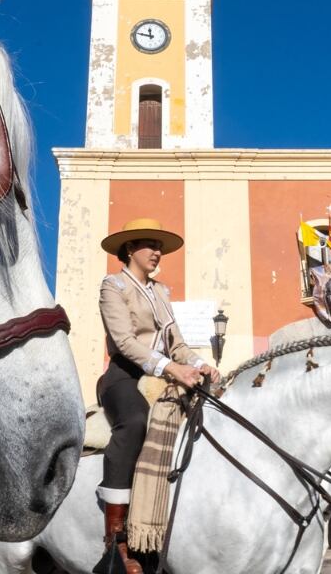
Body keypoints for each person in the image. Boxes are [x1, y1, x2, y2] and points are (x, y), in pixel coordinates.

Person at [96, 218, 220, 574]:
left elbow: (177, 343)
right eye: (150, 245)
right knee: (134, 421)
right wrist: (171, 369)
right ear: (130, 249)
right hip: (123, 375)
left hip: (166, 374)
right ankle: (116, 538)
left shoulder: (161, 291)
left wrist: (200, 364)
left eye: (159, 246)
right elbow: (125, 343)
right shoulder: (113, 286)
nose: (157, 252)